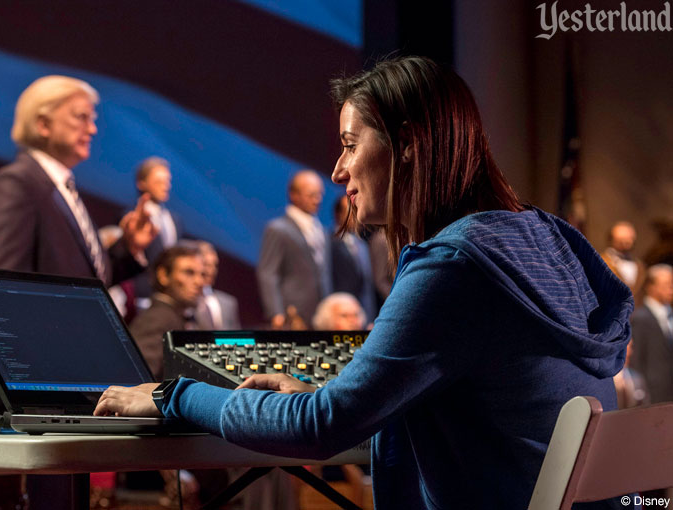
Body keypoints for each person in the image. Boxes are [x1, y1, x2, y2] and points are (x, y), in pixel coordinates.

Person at [94, 56, 632, 509]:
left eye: (351, 144)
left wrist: (174, 395)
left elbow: (321, 427)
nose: (337, 170)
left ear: (408, 144)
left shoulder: (456, 265)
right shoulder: (546, 239)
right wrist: (335, 398)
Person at [0, 75, 156, 406]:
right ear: (43, 124)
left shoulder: (60, 188)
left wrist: (128, 249)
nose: (93, 129)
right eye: (81, 117)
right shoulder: (18, 184)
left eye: (93, 119)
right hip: (31, 389)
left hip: (65, 380)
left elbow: (81, 281)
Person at [257, 170, 332, 329]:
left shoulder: (321, 229)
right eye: (311, 195)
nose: (317, 200)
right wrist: (275, 312)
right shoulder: (278, 229)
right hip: (293, 312)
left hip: (321, 311)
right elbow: (268, 272)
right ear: (294, 195)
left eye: (319, 194)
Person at [129, 244, 205, 380]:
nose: (199, 282)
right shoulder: (157, 319)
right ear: (163, 275)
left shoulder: (172, 317)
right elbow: (137, 380)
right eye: (189, 272)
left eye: (202, 274)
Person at [132, 156, 183, 310]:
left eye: (167, 181)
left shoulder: (175, 219)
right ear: (142, 183)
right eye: (159, 181)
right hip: (144, 299)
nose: (165, 186)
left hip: (172, 299)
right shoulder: (131, 217)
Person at [628, 264, 673, 403]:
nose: (671, 289)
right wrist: (641, 392)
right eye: (667, 284)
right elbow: (636, 358)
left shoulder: (670, 314)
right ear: (651, 286)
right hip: (653, 394)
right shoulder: (640, 317)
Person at [330, 195, 377, 322]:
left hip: (366, 313)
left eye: (356, 211)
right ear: (338, 214)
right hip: (343, 314)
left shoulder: (362, 244)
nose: (354, 216)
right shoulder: (329, 243)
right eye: (349, 212)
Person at [190, 240, 241, 330]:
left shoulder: (229, 303)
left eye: (215, 265)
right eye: (206, 265)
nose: (212, 271)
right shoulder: (187, 302)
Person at [601, 221, 645, 299]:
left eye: (630, 239)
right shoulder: (601, 262)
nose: (627, 242)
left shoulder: (639, 265)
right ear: (611, 239)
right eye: (621, 240)